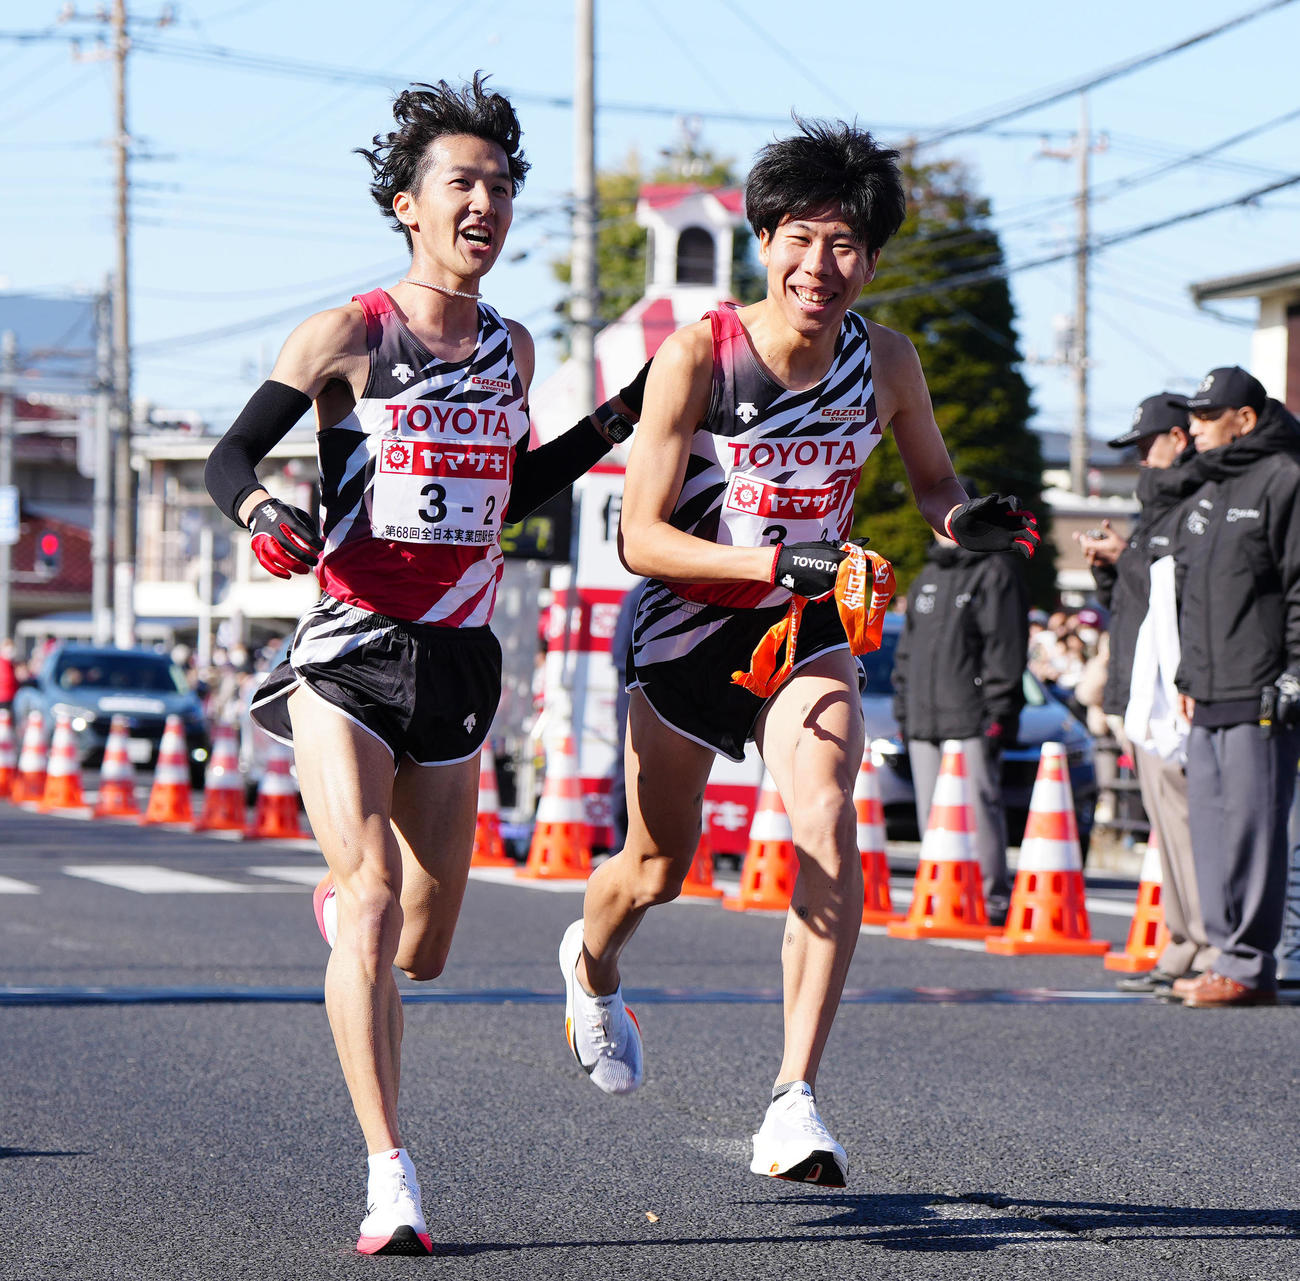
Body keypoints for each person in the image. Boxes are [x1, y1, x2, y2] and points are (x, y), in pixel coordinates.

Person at [203, 75, 647, 1255]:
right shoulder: (348, 331)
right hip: (347, 651)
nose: (486, 203)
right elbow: (231, 451)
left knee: (426, 944)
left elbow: (503, 495)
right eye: (463, 182)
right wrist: (257, 508)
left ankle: (356, 907)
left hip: (456, 661)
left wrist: (611, 427)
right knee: (372, 906)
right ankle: (388, 1173)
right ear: (407, 203)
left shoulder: (513, 345)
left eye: (502, 187)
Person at [557, 117, 1039, 1188]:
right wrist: (786, 556)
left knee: (825, 813)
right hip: (688, 625)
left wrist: (970, 522)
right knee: (655, 869)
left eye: (849, 246)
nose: (825, 267)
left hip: (805, 627)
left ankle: (793, 1100)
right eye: (804, 240)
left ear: (872, 258)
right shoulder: (698, 356)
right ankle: (589, 969)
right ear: (762, 239)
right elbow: (640, 537)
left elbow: (930, 488)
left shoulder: (887, 359)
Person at [1168, 366, 1300, 1008]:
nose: (1192, 428)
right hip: (1206, 687)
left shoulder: (1284, 480)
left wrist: (1296, 670)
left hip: (1261, 685)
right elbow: (1192, 596)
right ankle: (1227, 957)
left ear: (1243, 419)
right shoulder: (1208, 491)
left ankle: (1248, 965)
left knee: (1252, 828)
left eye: (1204, 416)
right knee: (1213, 831)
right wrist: (1187, 676)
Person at [1079, 392, 1214, 995]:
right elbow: (1135, 601)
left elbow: (1178, 587)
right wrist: (1112, 567)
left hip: (1174, 688)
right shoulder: (1158, 506)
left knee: (1186, 824)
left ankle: (1206, 945)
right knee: (1169, 823)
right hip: (1145, 684)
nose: (1139, 458)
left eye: (1145, 445)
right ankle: (1185, 940)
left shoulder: (1192, 500)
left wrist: (1126, 556)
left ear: (1178, 440)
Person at [892, 481, 1029, 925]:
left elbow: (1005, 648)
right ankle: (941, 895)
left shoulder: (993, 571)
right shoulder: (927, 579)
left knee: (979, 808)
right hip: (924, 719)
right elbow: (906, 654)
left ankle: (990, 897)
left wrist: (999, 712)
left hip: (972, 717)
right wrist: (903, 711)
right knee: (932, 812)